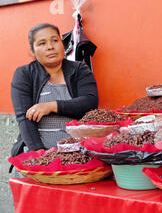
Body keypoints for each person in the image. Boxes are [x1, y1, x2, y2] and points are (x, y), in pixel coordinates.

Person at [10, 23, 98, 158]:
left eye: (55, 40)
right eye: (42, 43)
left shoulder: (79, 69)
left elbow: (90, 102)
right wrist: (41, 156)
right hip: (38, 154)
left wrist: (52, 106)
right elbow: (24, 119)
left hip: (79, 154)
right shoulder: (25, 74)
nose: (50, 47)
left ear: (63, 44)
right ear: (32, 51)